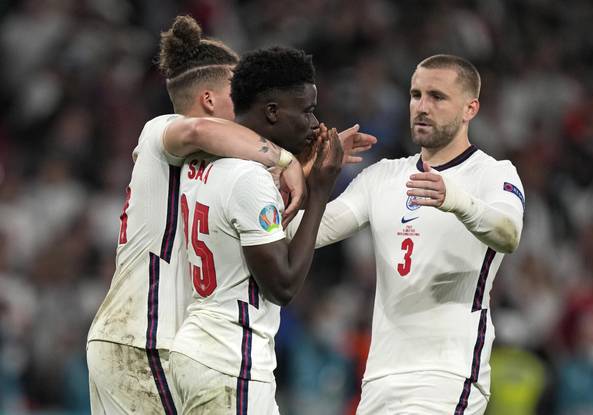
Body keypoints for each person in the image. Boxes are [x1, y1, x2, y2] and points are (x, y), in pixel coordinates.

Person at [86, 16, 310, 415]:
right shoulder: (163, 131)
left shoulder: (217, 168)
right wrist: (283, 157)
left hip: (145, 340)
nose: (244, 105)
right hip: (146, 338)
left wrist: (304, 171)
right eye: (236, 94)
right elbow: (196, 133)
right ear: (208, 100)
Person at [287, 54, 525, 414]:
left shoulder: (492, 174)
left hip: (446, 375)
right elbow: (300, 233)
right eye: (416, 95)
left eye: (437, 97)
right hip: (379, 380)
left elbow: (508, 233)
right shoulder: (382, 177)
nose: (422, 107)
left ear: (470, 108)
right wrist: (299, 173)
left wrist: (456, 199)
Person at [168, 46, 344, 414]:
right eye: (308, 111)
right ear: (273, 111)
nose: (315, 124)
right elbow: (283, 285)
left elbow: (253, 239)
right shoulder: (251, 179)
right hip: (231, 358)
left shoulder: (202, 162)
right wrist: (319, 193)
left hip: (200, 348)